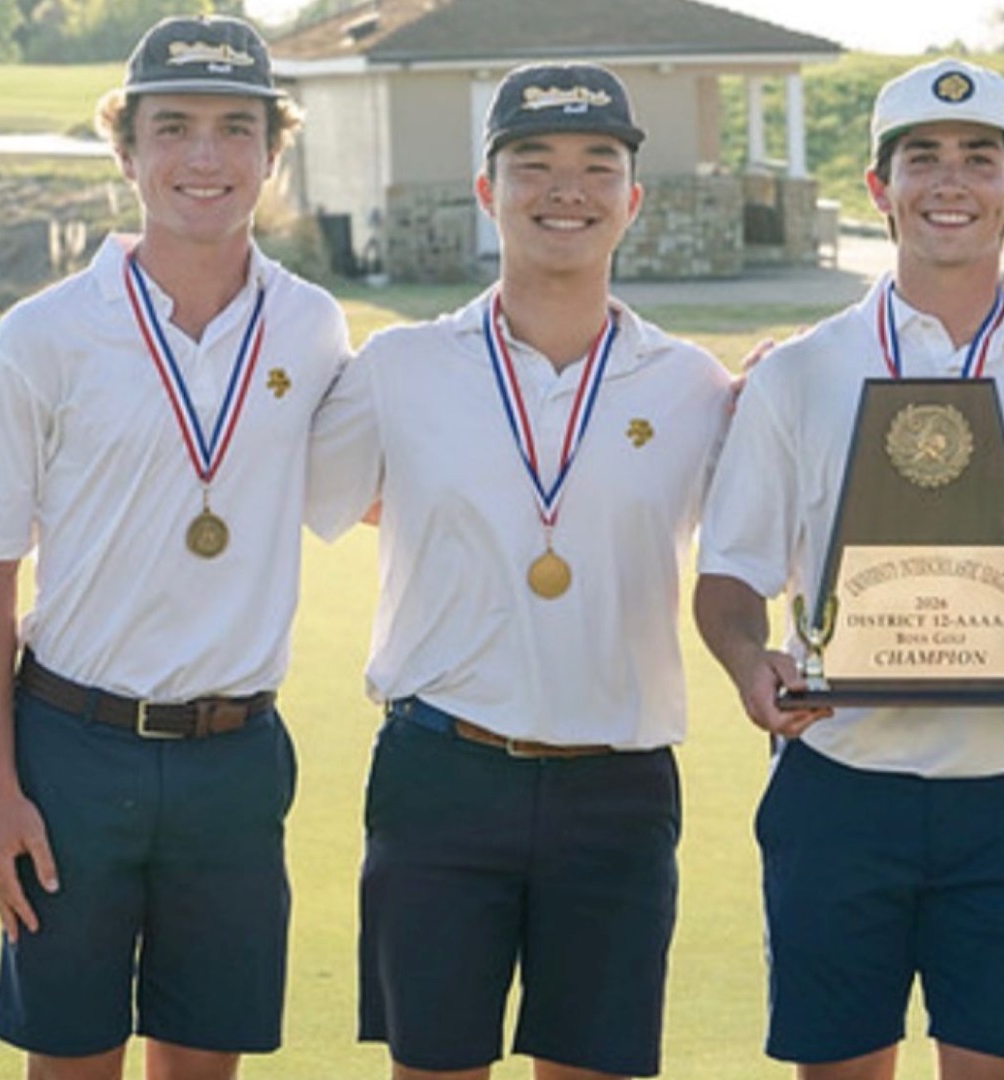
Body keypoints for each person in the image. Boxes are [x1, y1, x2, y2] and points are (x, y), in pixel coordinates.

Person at [693, 57, 1004, 1080]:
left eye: (978, 158)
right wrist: (747, 661)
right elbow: (729, 571)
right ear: (879, 187)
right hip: (839, 783)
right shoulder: (799, 370)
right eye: (922, 158)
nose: (951, 180)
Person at [305, 61, 732, 1080]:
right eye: (532, 163)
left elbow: (768, 538)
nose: (565, 189)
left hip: (617, 787)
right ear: (487, 190)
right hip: (442, 774)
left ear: (633, 198)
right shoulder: (399, 368)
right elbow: (314, 499)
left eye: (597, 165)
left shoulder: (695, 386)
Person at [0, 14, 349, 1080]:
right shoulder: (40, 337)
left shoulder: (313, 327)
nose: (206, 159)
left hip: (235, 758)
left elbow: (401, 470)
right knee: (72, 1060)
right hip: (72, 750)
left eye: (236, 129)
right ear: (126, 150)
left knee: (203, 1062)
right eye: (172, 128)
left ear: (276, 150)